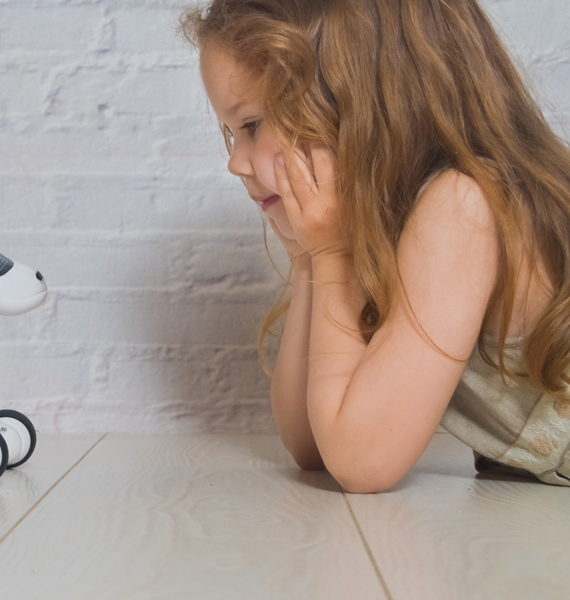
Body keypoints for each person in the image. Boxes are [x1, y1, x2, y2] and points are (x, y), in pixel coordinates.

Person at [182, 0, 570, 492]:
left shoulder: (461, 207)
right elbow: (310, 443)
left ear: (354, 103)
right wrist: (311, 258)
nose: (235, 163)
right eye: (229, 132)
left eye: (252, 125)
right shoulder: (392, 224)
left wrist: (330, 256)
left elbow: (361, 460)